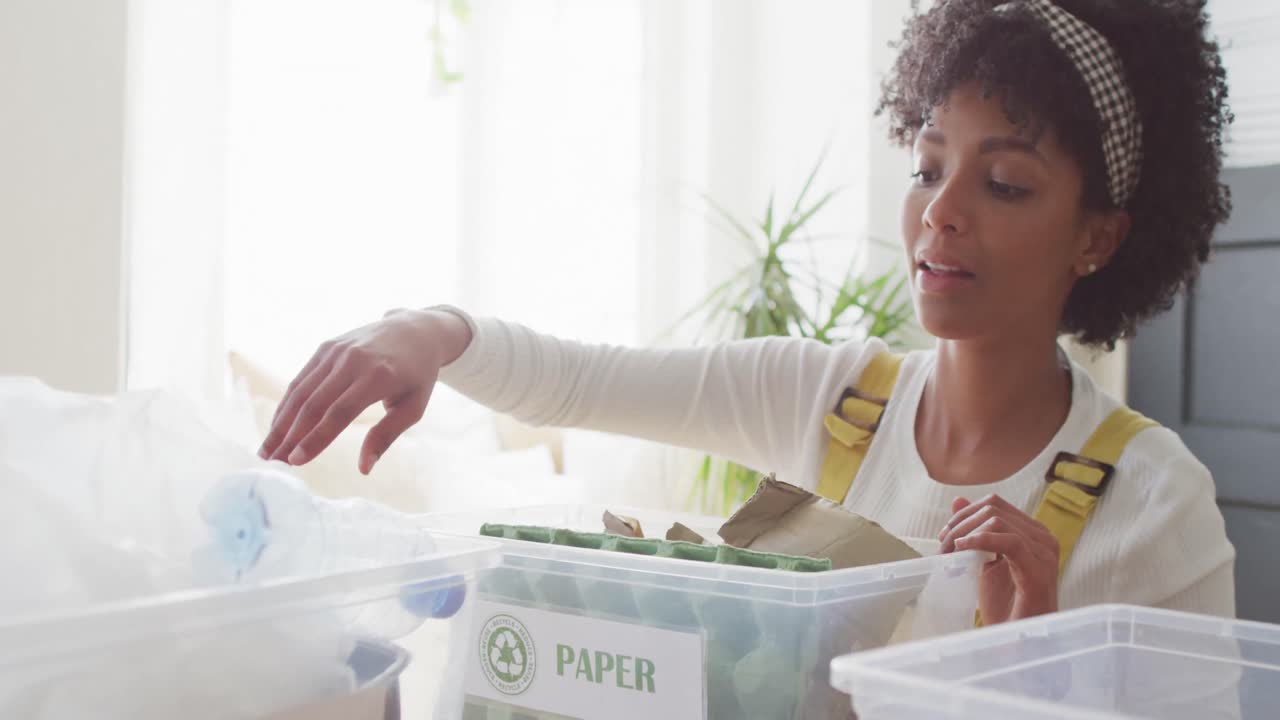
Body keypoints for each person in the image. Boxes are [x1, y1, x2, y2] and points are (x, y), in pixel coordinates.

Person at [258, 0, 1236, 624]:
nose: (939, 211)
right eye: (928, 166)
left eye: (1005, 184)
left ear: (1096, 238)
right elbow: (582, 379)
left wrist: (1028, 663)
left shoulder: (1151, 505)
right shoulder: (824, 397)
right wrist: (427, 330)